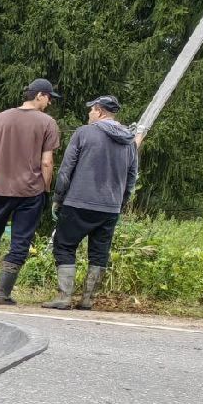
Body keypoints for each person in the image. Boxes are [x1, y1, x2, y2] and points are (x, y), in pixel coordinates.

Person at [0, 78, 62, 305]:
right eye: (48, 98)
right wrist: (46, 189)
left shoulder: (0, 118)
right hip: (30, 192)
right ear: (39, 95)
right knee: (20, 241)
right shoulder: (48, 123)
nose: (49, 103)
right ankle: (3, 294)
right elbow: (47, 162)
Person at [43, 95, 138, 310]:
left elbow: (66, 169)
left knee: (64, 245)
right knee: (99, 252)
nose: (89, 113)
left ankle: (64, 297)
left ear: (100, 111)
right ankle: (87, 300)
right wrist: (121, 204)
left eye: (91, 110)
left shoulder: (83, 133)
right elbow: (132, 176)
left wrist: (58, 197)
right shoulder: (129, 140)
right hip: (110, 207)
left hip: (78, 202)